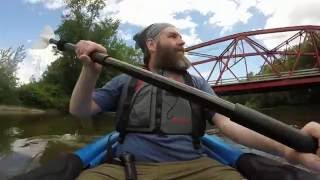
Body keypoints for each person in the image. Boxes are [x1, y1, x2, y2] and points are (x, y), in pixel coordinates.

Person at [70, 23, 320, 179]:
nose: (183, 41)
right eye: (174, 36)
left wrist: (289, 150)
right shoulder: (127, 80)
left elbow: (230, 125)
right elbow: (81, 110)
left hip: (198, 167)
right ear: (152, 44)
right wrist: (89, 72)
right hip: (125, 167)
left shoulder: (197, 84)